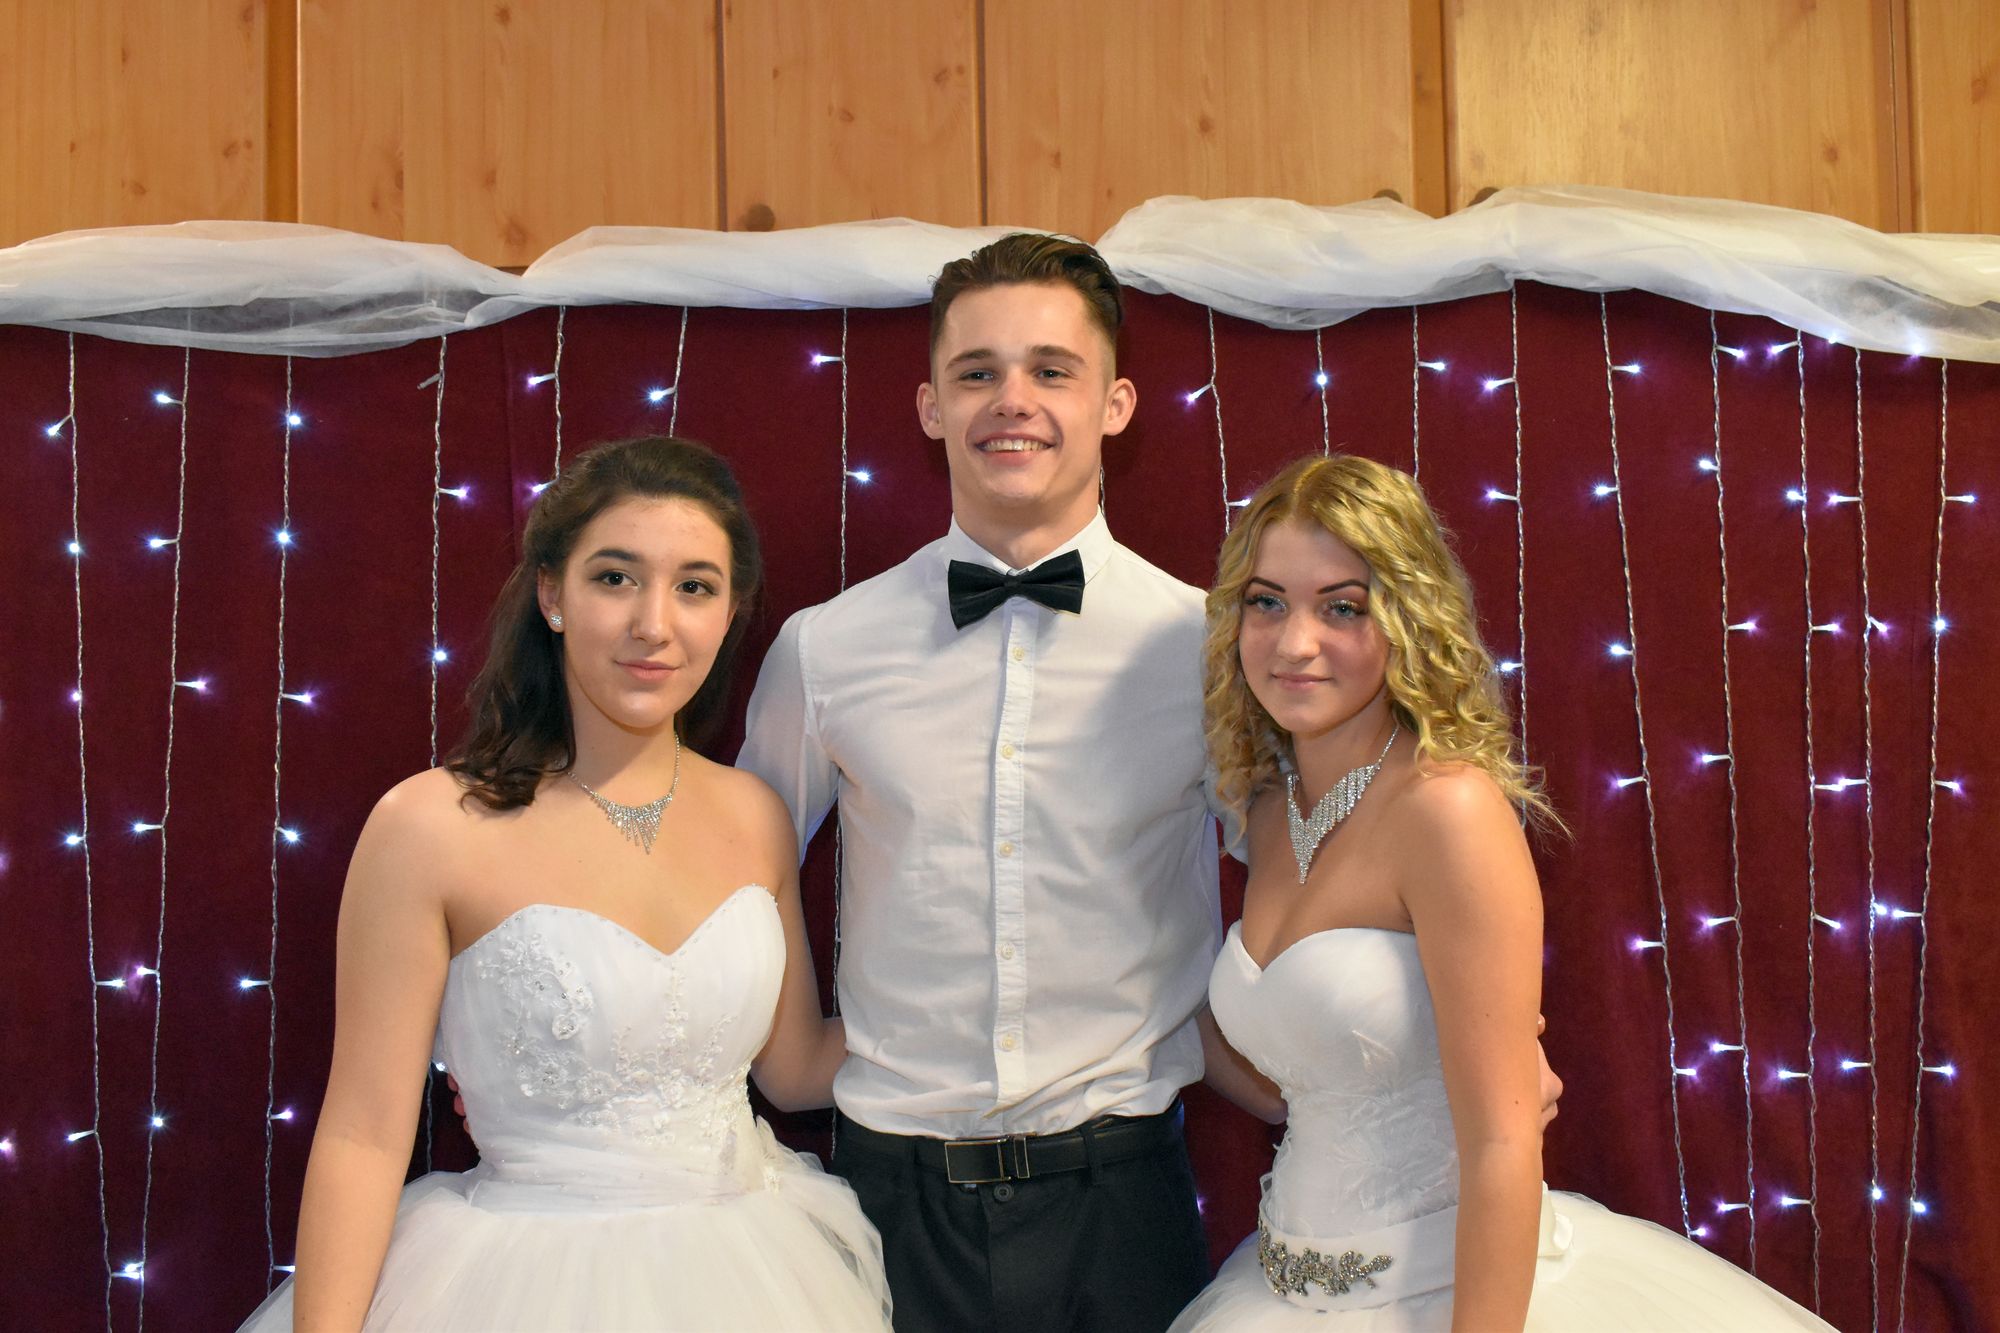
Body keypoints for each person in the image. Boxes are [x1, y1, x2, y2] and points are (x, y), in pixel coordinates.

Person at [736, 235, 1559, 1332]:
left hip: (1120, 1202)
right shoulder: (824, 648)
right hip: (893, 1197)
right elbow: (732, 858)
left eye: (1051, 369)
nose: (1011, 400)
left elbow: (1330, 861)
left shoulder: (1218, 648)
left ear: (1114, 403)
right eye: (976, 372)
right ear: (929, 405)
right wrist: (787, 1064)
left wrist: (1456, 1050)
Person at [1169, 454, 1831, 1331]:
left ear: (1407, 617)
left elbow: (1504, 1141)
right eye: (1267, 602)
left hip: (1453, 1295)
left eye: (1342, 607)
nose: (1295, 642)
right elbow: (1311, 1070)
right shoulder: (1266, 811)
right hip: (1278, 1291)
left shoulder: (1447, 809)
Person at [240, 438, 890, 1332]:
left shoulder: (756, 814)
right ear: (552, 594)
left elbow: (797, 1068)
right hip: (513, 1283)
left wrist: (1002, 1000)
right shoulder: (427, 826)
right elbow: (363, 1133)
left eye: (694, 586)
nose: (653, 623)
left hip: (760, 1276)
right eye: (615, 578)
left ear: (730, 611)